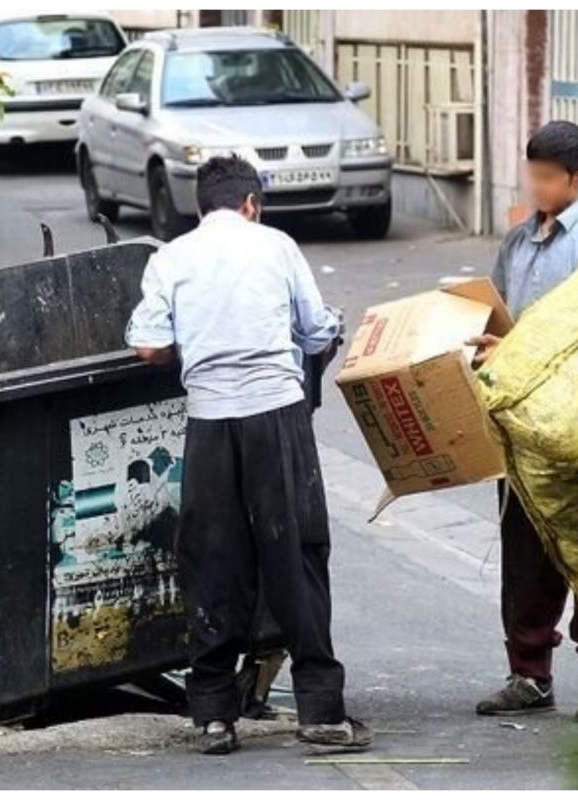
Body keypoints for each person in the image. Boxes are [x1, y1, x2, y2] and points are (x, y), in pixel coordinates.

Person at [125, 155, 371, 756]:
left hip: (209, 424)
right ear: (252, 203)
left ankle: (212, 715)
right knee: (298, 556)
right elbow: (317, 332)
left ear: (201, 206)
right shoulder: (277, 246)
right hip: (276, 419)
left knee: (214, 561)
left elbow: (150, 346)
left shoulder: (171, 257)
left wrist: (198, 346)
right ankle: (320, 713)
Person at [468, 120, 578, 724]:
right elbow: (505, 321)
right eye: (530, 174)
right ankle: (529, 673)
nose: (536, 186)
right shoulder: (516, 244)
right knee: (524, 552)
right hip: (518, 423)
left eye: (547, 177)